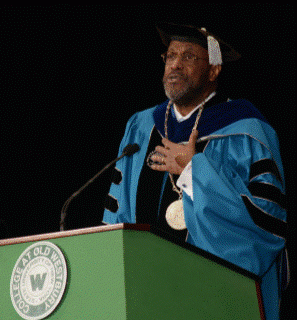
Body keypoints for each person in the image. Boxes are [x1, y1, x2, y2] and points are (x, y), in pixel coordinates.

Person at [102, 22, 289, 319]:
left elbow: (267, 225)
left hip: (213, 298)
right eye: (170, 55)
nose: (175, 64)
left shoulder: (247, 132)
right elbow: (116, 216)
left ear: (214, 70)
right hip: (142, 295)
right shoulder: (140, 128)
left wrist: (194, 171)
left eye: (189, 57)